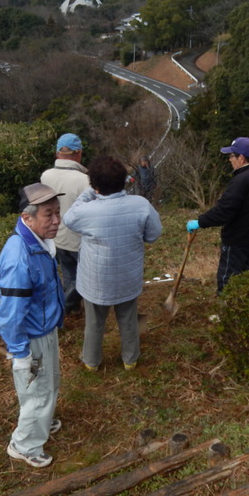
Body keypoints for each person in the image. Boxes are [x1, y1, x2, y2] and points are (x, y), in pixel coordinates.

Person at [63, 156, 162, 372]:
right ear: (124, 180)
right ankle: (130, 359)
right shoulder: (141, 205)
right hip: (127, 276)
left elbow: (69, 219)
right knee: (128, 320)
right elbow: (154, 235)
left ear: (95, 184)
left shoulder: (86, 210)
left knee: (95, 323)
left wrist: (91, 192)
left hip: (95, 279)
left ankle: (91, 361)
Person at [0, 183, 65, 468]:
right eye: (48, 215)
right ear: (28, 217)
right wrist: (20, 353)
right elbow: (11, 313)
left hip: (45, 328)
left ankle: (41, 421)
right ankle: (24, 444)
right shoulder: (19, 256)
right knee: (36, 390)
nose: (56, 221)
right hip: (31, 337)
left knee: (49, 382)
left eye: (58, 213)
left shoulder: (38, 243)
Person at [186, 136, 249, 294]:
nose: (229, 160)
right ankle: (242, 311)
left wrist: (199, 222)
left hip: (237, 241)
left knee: (228, 280)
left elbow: (224, 212)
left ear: (241, 158)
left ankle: (225, 312)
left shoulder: (241, 180)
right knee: (248, 278)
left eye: (231, 156)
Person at [40, 133, 89, 315]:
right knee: (84, 277)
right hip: (78, 239)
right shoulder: (83, 180)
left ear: (57, 154)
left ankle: (74, 308)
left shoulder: (46, 176)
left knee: (68, 274)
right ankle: (65, 307)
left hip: (55, 236)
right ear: (78, 153)